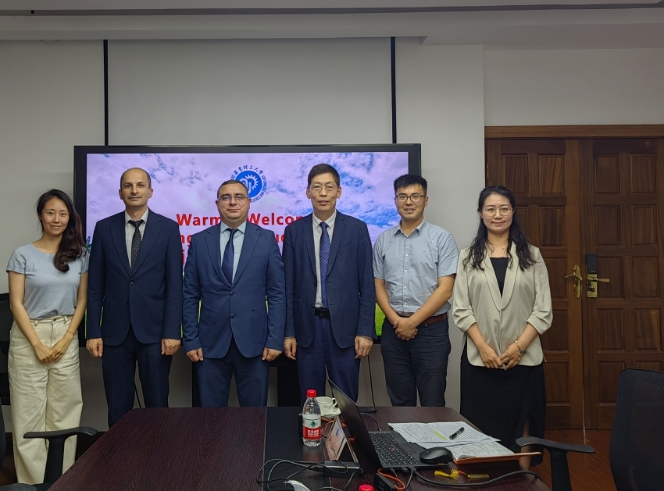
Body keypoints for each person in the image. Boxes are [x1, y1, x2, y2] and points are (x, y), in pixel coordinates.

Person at [452, 185, 552, 464]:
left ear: (513, 212)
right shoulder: (467, 257)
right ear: (481, 214)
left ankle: (524, 477)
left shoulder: (532, 255)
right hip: (480, 359)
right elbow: (461, 309)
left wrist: (519, 347)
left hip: (524, 359)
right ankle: (484, 476)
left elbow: (543, 310)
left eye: (504, 208)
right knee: (479, 423)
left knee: (523, 421)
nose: (497, 215)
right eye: (491, 209)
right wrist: (483, 348)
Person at [86, 167, 183, 427]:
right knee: (118, 408)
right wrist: (93, 331)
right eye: (128, 186)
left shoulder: (168, 228)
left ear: (150, 191)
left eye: (140, 185)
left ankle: (158, 452)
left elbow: (175, 285)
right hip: (114, 335)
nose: (134, 190)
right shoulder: (104, 228)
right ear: (120, 193)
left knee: (157, 405)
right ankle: (121, 454)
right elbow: (95, 286)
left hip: (155, 334)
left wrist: (172, 332)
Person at [7, 189, 89, 484]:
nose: (57, 219)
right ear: (40, 216)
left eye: (63, 214)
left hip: (66, 333)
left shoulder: (80, 255)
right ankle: (33, 485)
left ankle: (60, 482)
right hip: (30, 335)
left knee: (65, 413)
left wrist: (67, 338)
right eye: (51, 212)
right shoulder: (22, 254)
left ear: (70, 218)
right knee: (28, 415)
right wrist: (37, 344)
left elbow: (82, 300)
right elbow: (16, 303)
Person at [182, 179, 285, 407]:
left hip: (255, 345)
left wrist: (275, 339)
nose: (232, 202)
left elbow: (277, 293)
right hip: (209, 345)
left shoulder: (266, 239)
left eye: (239, 197)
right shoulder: (199, 241)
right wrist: (190, 339)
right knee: (211, 419)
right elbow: (189, 295)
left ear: (248, 202)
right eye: (226, 197)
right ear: (217, 203)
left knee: (254, 418)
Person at [283, 163, 376, 401]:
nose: (323, 193)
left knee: (345, 401)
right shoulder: (294, 231)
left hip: (345, 330)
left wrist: (365, 331)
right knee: (310, 400)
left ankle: (344, 429)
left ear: (339, 191)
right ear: (308, 192)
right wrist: (289, 333)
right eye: (317, 187)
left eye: (329, 187)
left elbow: (367, 284)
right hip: (307, 329)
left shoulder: (357, 229)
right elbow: (288, 287)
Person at [373, 174, 459, 407]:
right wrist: (397, 322)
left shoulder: (442, 238)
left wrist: (412, 323)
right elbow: (378, 286)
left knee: (432, 403)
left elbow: (445, 289)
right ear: (395, 200)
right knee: (400, 404)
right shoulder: (383, 240)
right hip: (393, 332)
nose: (408, 202)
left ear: (425, 200)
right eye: (402, 196)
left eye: (415, 196)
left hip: (431, 333)